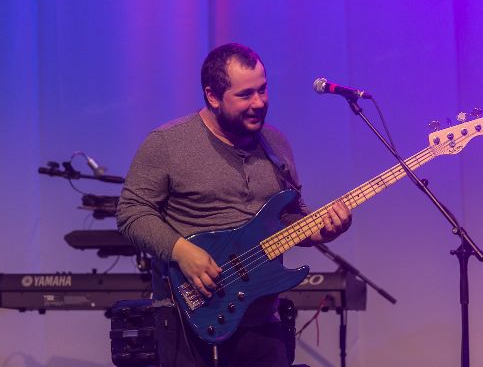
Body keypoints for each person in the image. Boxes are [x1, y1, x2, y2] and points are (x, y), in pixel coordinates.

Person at [116, 43, 352, 367]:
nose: (259, 103)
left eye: (263, 90)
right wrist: (181, 251)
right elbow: (131, 213)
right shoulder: (167, 144)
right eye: (245, 95)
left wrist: (321, 232)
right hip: (191, 318)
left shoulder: (276, 144)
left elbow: (290, 216)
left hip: (262, 318)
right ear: (212, 96)